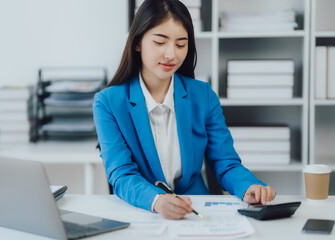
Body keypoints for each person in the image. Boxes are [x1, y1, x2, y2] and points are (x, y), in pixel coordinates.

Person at [93, 0, 275, 220]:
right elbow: (121, 174)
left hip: (197, 210)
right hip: (143, 211)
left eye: (181, 44)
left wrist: (249, 186)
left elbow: (224, 162)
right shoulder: (108, 102)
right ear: (138, 42)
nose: (171, 55)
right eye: (160, 42)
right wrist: (157, 200)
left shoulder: (203, 96)